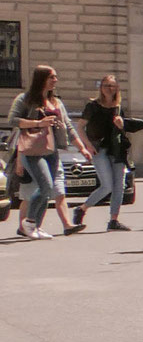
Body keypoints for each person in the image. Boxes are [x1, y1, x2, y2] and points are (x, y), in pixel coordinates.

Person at [9, 64, 88, 238]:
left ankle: (35, 226)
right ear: (41, 79)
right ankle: (29, 222)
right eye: (52, 77)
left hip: (52, 149)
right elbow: (13, 120)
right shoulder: (25, 99)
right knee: (45, 186)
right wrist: (39, 123)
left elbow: (68, 126)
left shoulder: (56, 102)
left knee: (49, 188)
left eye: (56, 77)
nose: (55, 80)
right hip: (33, 149)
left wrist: (82, 148)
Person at [75, 74, 135, 231]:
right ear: (101, 88)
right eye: (106, 85)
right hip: (99, 149)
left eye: (112, 86)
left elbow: (122, 129)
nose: (109, 89)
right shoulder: (92, 106)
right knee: (107, 185)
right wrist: (87, 145)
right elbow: (80, 127)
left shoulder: (119, 107)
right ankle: (82, 208)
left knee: (119, 186)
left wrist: (122, 124)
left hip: (116, 149)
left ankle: (113, 220)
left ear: (117, 88)